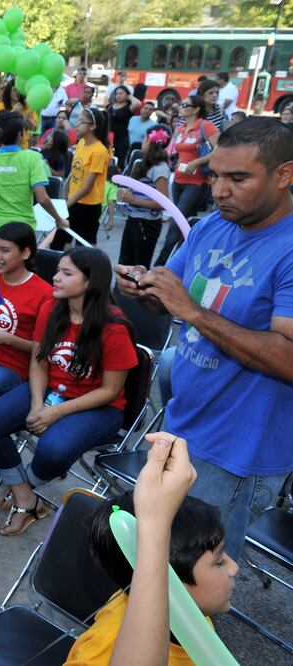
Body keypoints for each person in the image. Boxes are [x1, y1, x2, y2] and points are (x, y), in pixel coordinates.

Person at [114, 117, 293, 561]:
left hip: (237, 451)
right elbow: (170, 298)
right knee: (159, 561)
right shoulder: (214, 226)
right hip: (184, 422)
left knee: (194, 582)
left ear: (284, 175)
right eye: (215, 176)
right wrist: (144, 288)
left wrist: (192, 310)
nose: (219, 190)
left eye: (238, 178)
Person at [0, 248, 137, 536]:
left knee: (52, 450)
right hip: (50, 390)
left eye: (66, 273)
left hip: (99, 406)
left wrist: (55, 412)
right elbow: (38, 360)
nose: (55, 277)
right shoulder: (51, 308)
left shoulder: (114, 328)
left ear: (90, 282)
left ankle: (28, 486)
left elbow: (111, 390)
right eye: (58, 270)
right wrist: (38, 404)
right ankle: (25, 496)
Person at [68, 439, 236, 665]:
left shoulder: (194, 618)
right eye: (219, 562)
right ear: (171, 584)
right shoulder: (100, 655)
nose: (235, 567)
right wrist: (156, 524)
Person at [0, 223, 53, 408]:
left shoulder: (44, 293)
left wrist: (8, 339)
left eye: (4, 250)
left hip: (10, 365)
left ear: (26, 253)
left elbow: (46, 349)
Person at [0, 111, 68, 243]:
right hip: (21, 231)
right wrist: (58, 219)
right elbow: (42, 198)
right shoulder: (32, 158)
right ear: (20, 135)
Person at [154, 96, 219, 266]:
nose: (181, 107)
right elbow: (175, 151)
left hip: (196, 182)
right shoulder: (180, 127)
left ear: (196, 109)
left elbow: (221, 150)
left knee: (177, 222)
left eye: (185, 105)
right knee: (186, 224)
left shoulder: (206, 126)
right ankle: (184, 262)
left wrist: (197, 162)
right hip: (178, 179)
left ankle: (161, 265)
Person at [53, 107, 112, 249]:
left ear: (92, 126)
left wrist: (66, 205)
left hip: (88, 207)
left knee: (85, 248)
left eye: (81, 122)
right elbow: (74, 174)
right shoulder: (80, 144)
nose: (76, 125)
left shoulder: (100, 151)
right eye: (76, 120)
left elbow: (87, 187)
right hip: (73, 201)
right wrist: (65, 198)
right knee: (57, 244)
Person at [117, 129, 171, 268]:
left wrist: (134, 200)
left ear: (150, 142)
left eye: (145, 139)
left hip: (146, 224)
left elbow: (163, 202)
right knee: (126, 262)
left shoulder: (160, 168)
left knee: (139, 266)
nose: (142, 142)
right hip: (134, 219)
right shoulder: (145, 163)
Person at [0, 80, 38, 149]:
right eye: (14, 90)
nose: (17, 93)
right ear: (9, 91)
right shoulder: (1, 105)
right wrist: (14, 111)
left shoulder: (27, 106)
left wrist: (26, 118)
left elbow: (34, 128)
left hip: (23, 144)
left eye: (19, 90)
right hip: (5, 145)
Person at [106, 85, 142, 167]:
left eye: (121, 93)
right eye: (117, 93)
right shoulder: (110, 106)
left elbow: (137, 104)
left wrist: (129, 96)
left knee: (119, 161)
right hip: (109, 137)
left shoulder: (129, 107)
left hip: (122, 139)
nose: (118, 95)